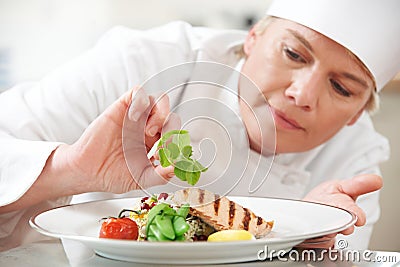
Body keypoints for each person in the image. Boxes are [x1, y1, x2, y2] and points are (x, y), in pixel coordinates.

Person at [0, 0, 399, 252]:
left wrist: (311, 244)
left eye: (342, 88)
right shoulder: (140, 62)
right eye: (293, 53)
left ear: (358, 113)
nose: (303, 93)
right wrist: (71, 169)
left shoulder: (355, 160)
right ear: (253, 38)